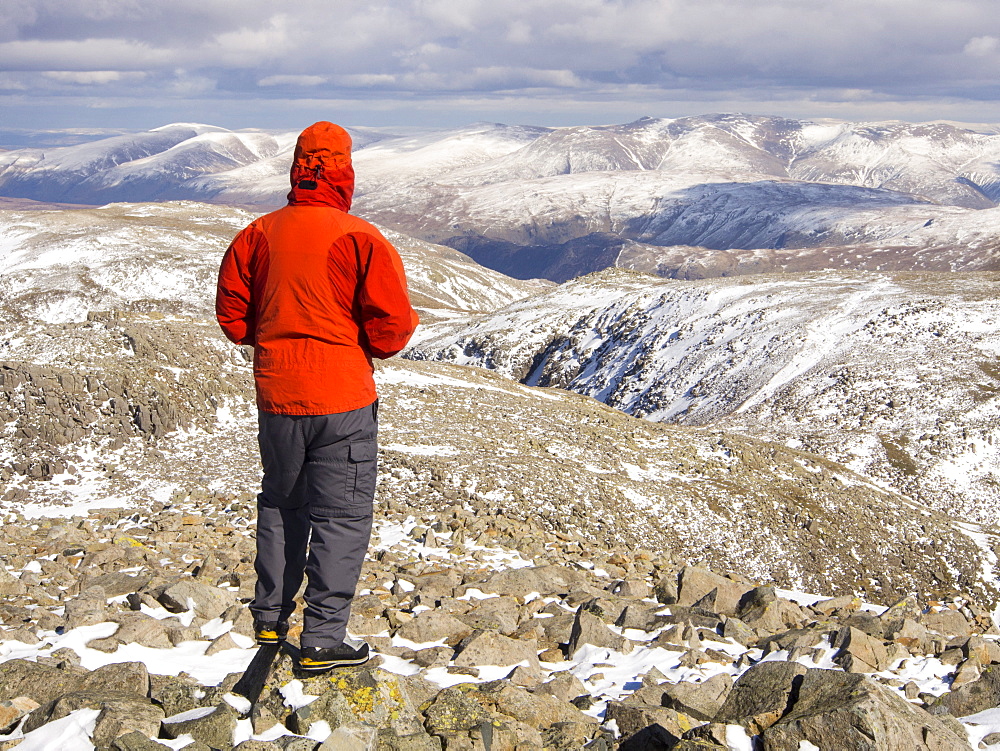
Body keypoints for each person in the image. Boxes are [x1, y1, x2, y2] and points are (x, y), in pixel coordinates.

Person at [215, 121, 418, 672]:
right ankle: (324, 637)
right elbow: (392, 332)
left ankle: (269, 616)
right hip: (343, 401)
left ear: (296, 170)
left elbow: (234, 319)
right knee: (341, 515)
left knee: (282, 501)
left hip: (277, 396)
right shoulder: (361, 238)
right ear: (345, 173)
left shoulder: (256, 234)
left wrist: (280, 337)